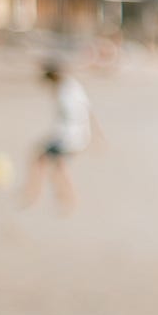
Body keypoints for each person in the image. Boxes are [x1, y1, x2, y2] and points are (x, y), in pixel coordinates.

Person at [20, 64, 100, 214]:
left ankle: (34, 195)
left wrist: (56, 139)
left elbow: (70, 120)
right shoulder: (73, 85)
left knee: (44, 163)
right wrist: (97, 136)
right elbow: (88, 111)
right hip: (79, 137)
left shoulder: (64, 93)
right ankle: (64, 199)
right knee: (56, 168)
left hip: (68, 139)